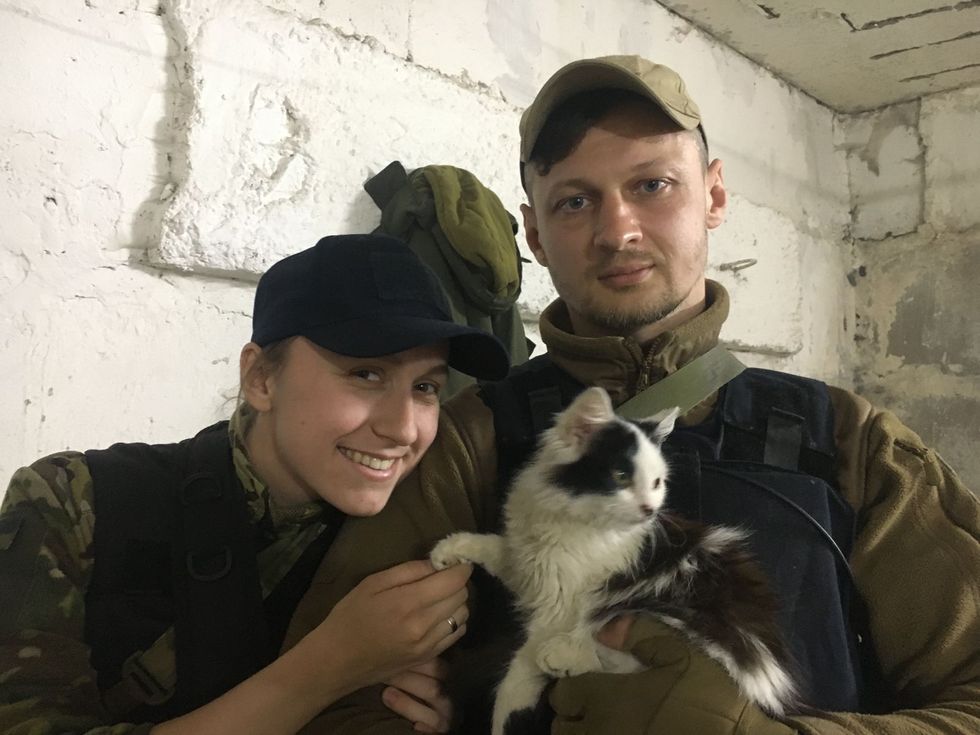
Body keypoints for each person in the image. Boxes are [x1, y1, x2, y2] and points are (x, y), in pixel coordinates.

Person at [285, 57, 980, 734]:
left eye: (652, 185)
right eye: (576, 201)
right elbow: (337, 693)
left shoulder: (852, 442)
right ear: (535, 233)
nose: (617, 231)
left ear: (713, 195)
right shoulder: (468, 440)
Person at [0, 233, 512, 734]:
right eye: (366, 374)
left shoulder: (425, 528)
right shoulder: (75, 502)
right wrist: (330, 666)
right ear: (261, 379)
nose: (403, 428)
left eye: (425, 387)